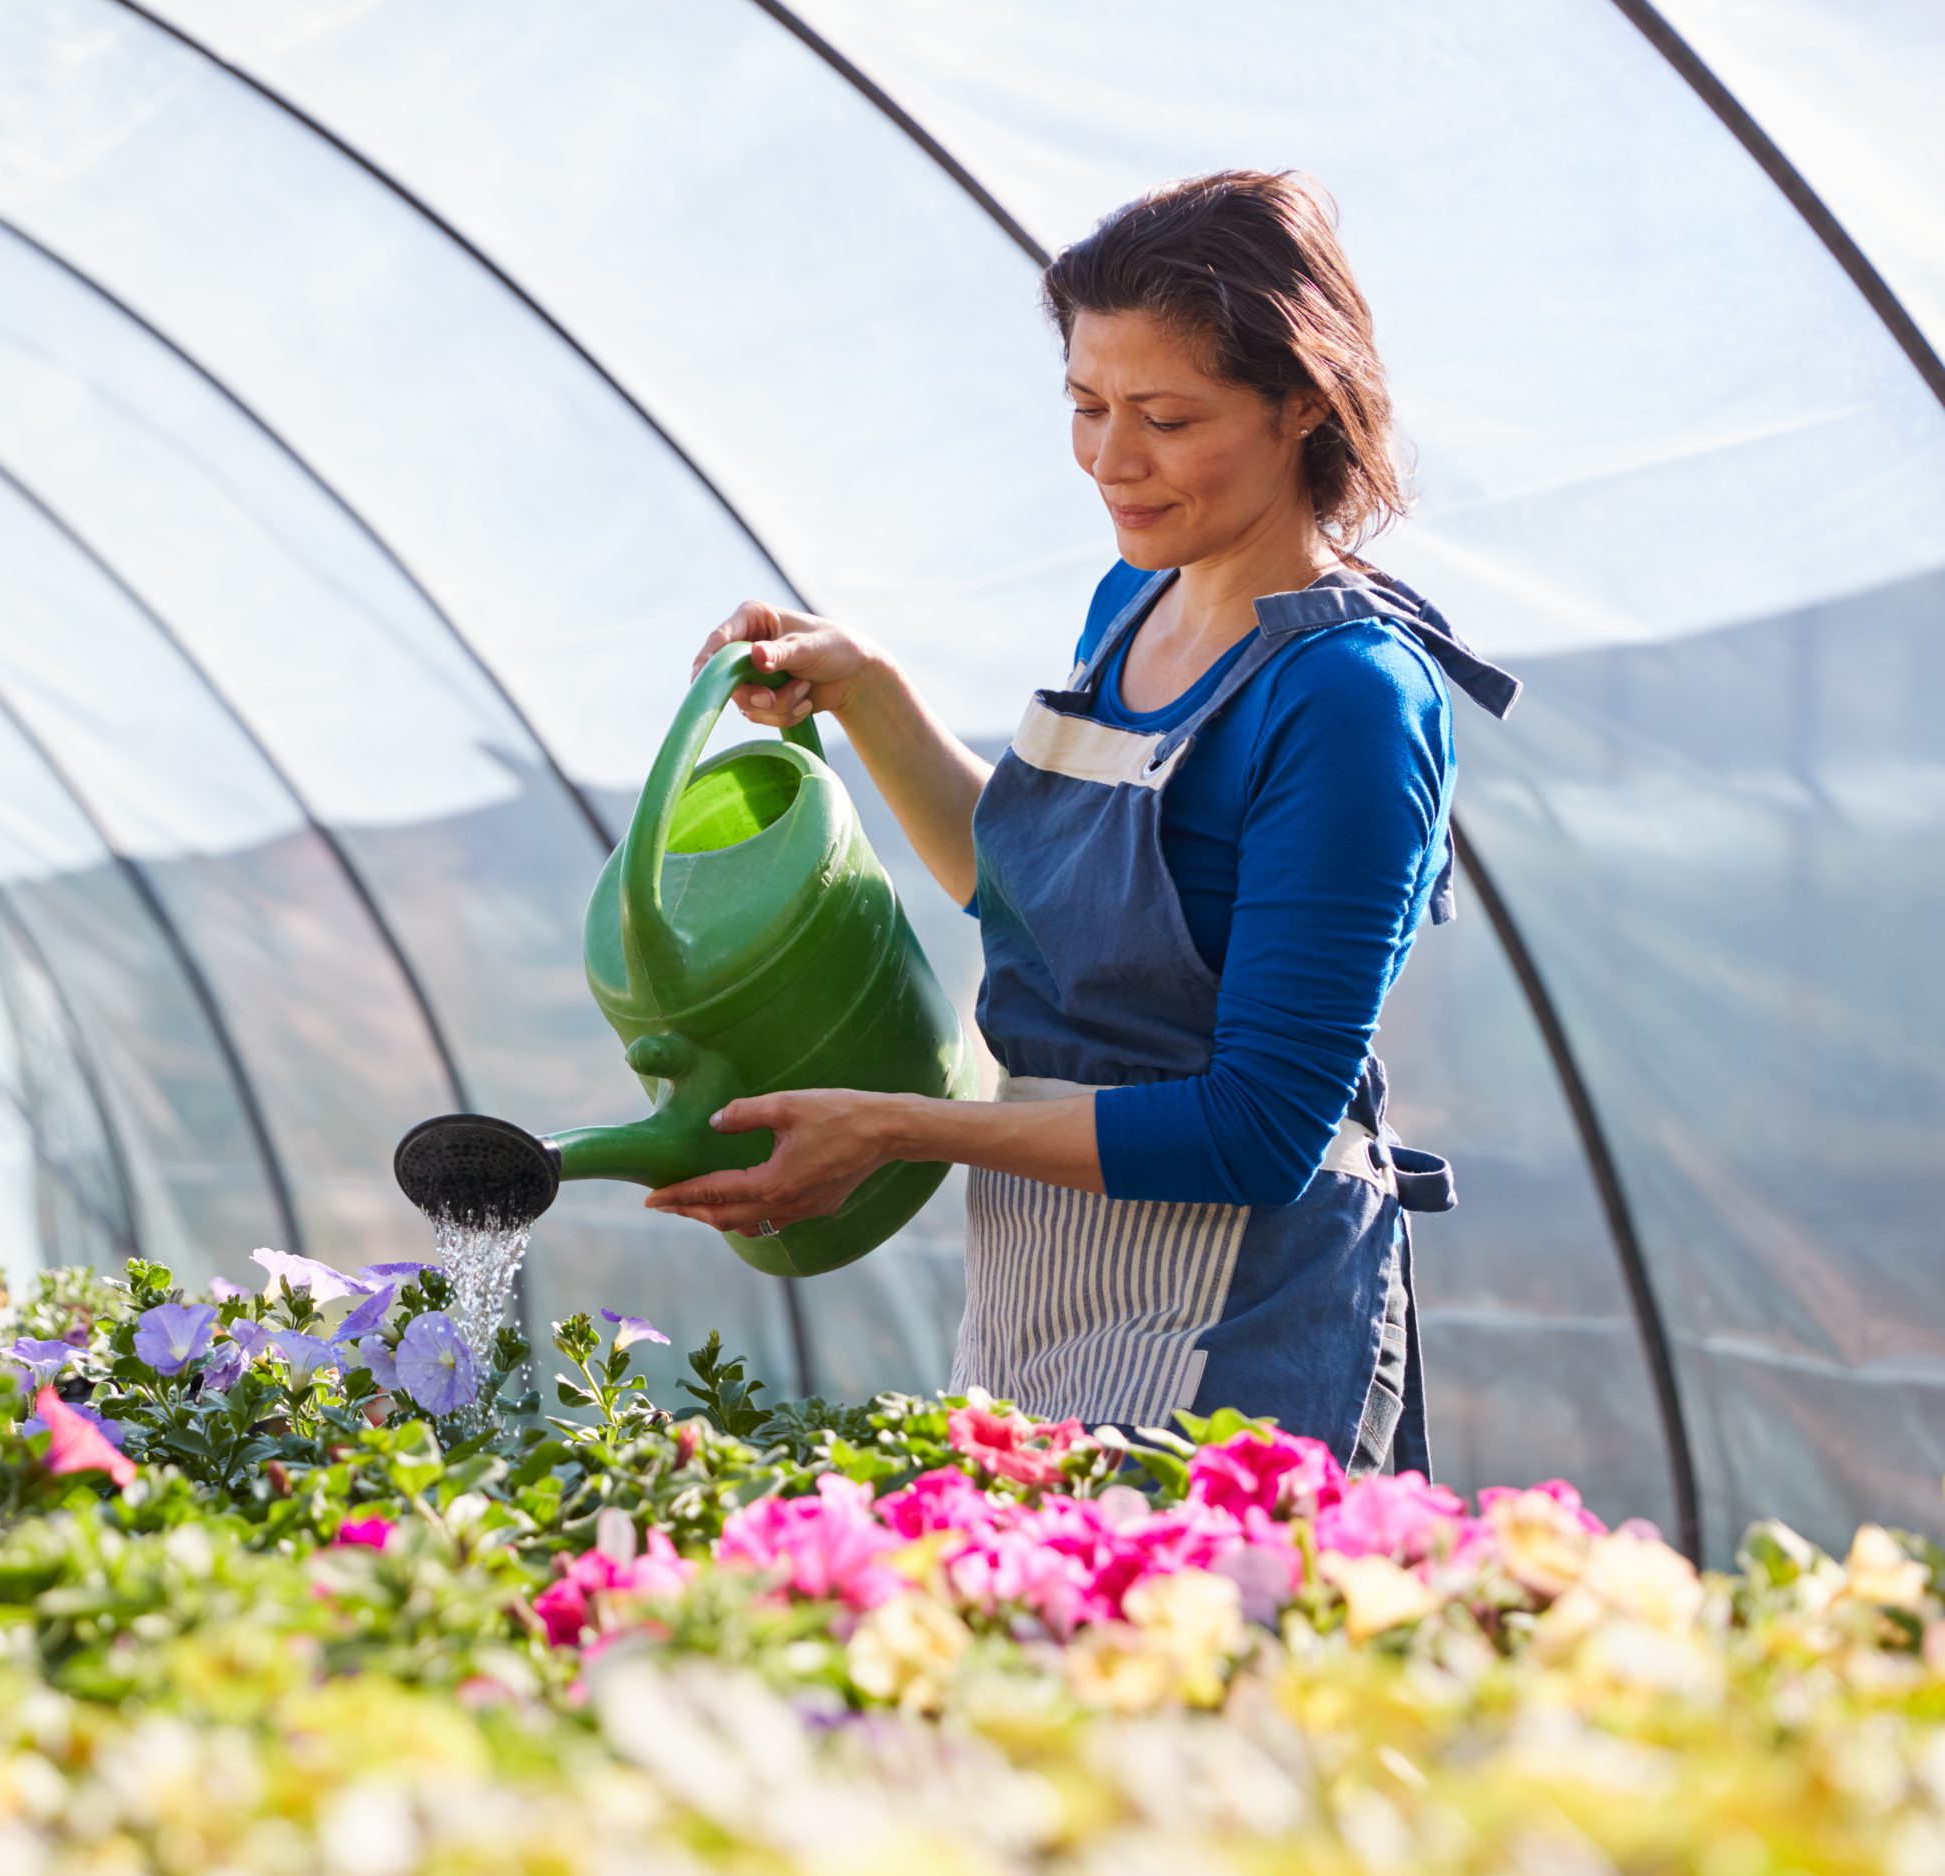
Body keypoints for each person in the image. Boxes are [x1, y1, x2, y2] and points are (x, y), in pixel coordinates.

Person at [645, 171, 1519, 1474]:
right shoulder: (1134, 598)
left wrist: (898, 1127)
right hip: (1040, 1285)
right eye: (1088, 406)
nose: (1113, 460)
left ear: (1301, 406)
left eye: (1166, 417)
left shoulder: (1345, 700)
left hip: (1237, 1323)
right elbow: (1033, 905)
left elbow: (1260, 1128)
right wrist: (868, 690)